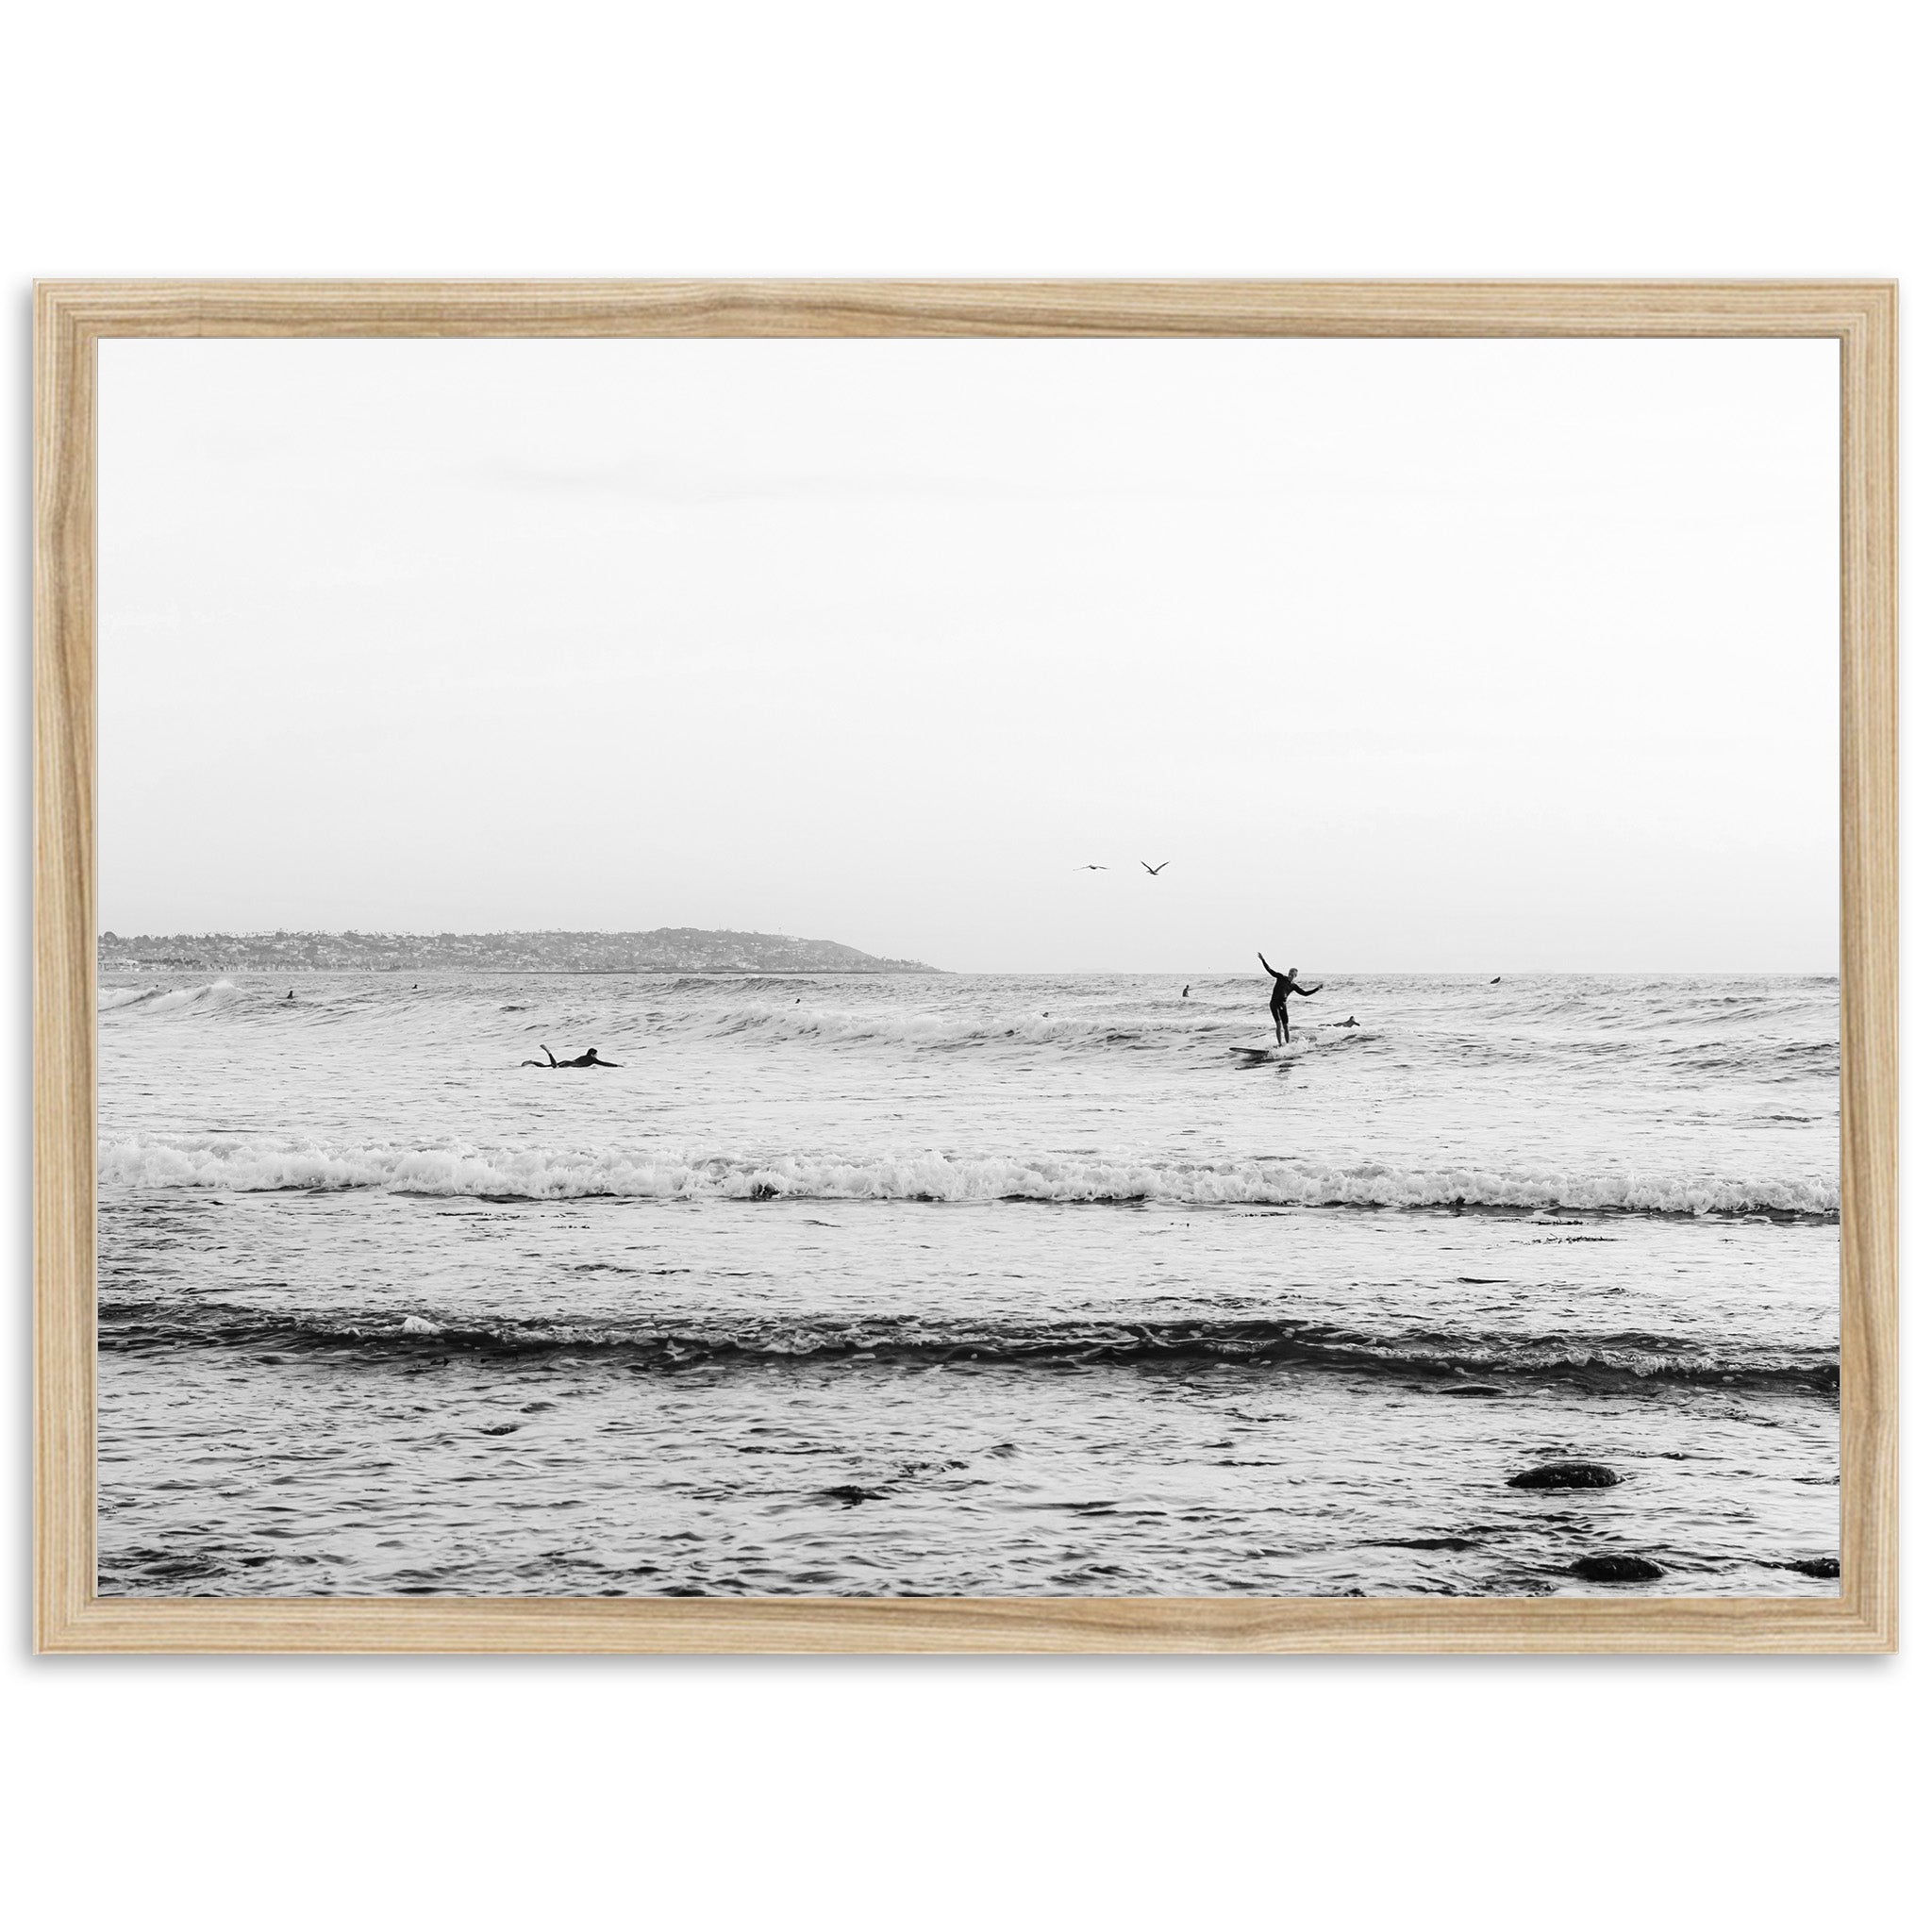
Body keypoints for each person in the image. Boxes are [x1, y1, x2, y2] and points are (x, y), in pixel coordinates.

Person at [1257, 953, 1323, 1044]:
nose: (1290, 976)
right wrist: (1263, 960)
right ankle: (1280, 1044)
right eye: (1289, 974)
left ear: (1295, 976)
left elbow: (1305, 994)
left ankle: (1287, 1045)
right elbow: (1270, 970)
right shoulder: (1280, 977)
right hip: (1274, 1003)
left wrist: (1317, 989)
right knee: (1279, 1025)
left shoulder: (1293, 986)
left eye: (1292, 975)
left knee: (1286, 1026)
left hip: (1282, 1005)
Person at [522, 1044, 621, 1068]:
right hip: (569, 1064)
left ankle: (532, 1062)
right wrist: (617, 1066)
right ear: (592, 1054)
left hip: (568, 1062)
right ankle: (549, 1052)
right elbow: (604, 1063)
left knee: (546, 1067)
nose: (596, 1056)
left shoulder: (584, 1057)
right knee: (554, 1067)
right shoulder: (592, 1059)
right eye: (596, 1055)